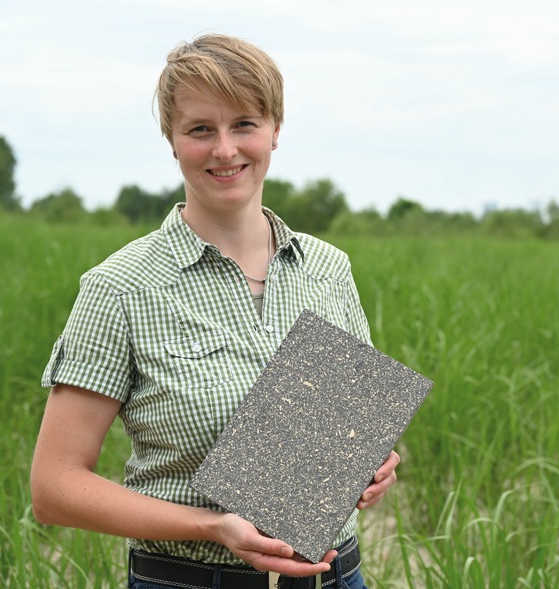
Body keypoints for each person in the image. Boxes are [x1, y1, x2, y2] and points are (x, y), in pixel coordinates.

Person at [30, 33, 399, 589]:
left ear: (276, 130)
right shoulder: (121, 287)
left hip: (338, 577)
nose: (225, 149)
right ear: (173, 142)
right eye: (201, 129)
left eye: (244, 124)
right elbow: (54, 488)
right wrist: (213, 526)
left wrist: (373, 464)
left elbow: (345, 440)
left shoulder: (328, 269)